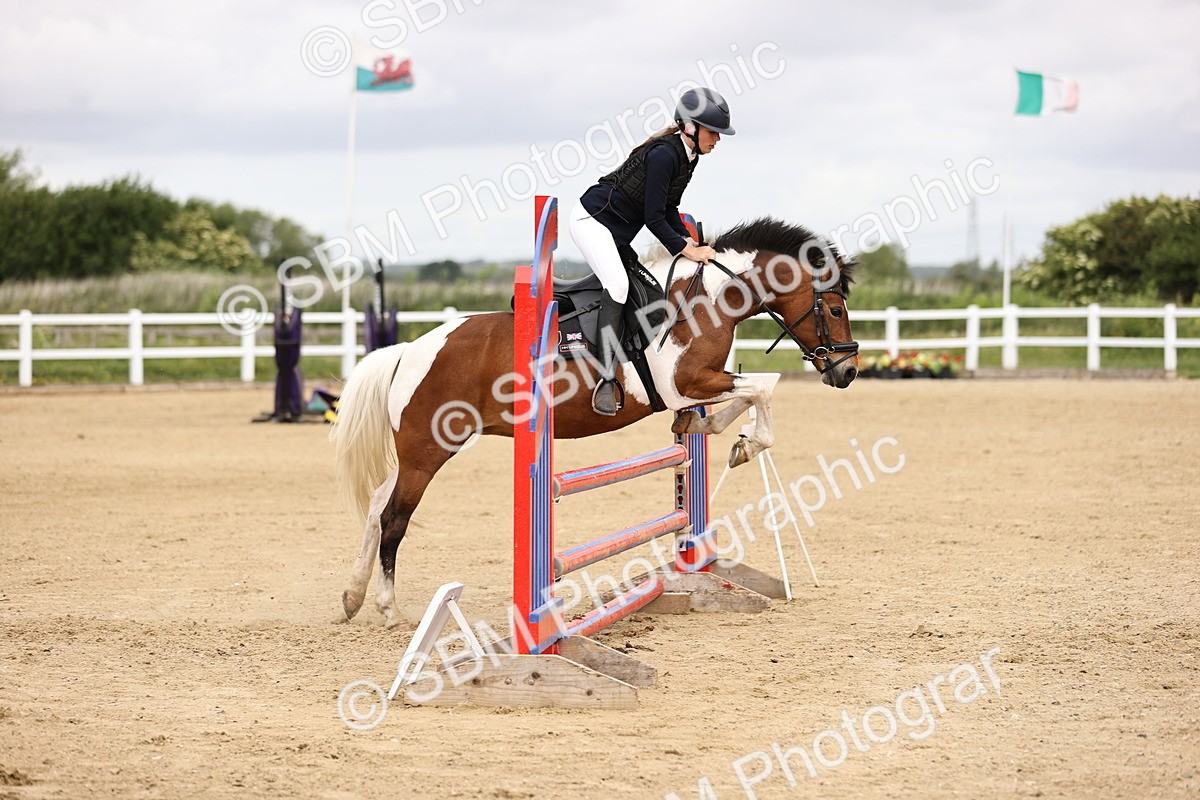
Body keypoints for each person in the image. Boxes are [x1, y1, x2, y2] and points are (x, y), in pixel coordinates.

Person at [569, 87, 735, 415]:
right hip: (592, 223)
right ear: (691, 127)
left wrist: (691, 244)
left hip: (616, 232)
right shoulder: (664, 155)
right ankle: (605, 377)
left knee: (648, 288)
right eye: (713, 132)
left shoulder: (689, 157)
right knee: (617, 286)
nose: (717, 139)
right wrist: (686, 251)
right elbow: (652, 217)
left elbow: (669, 209)